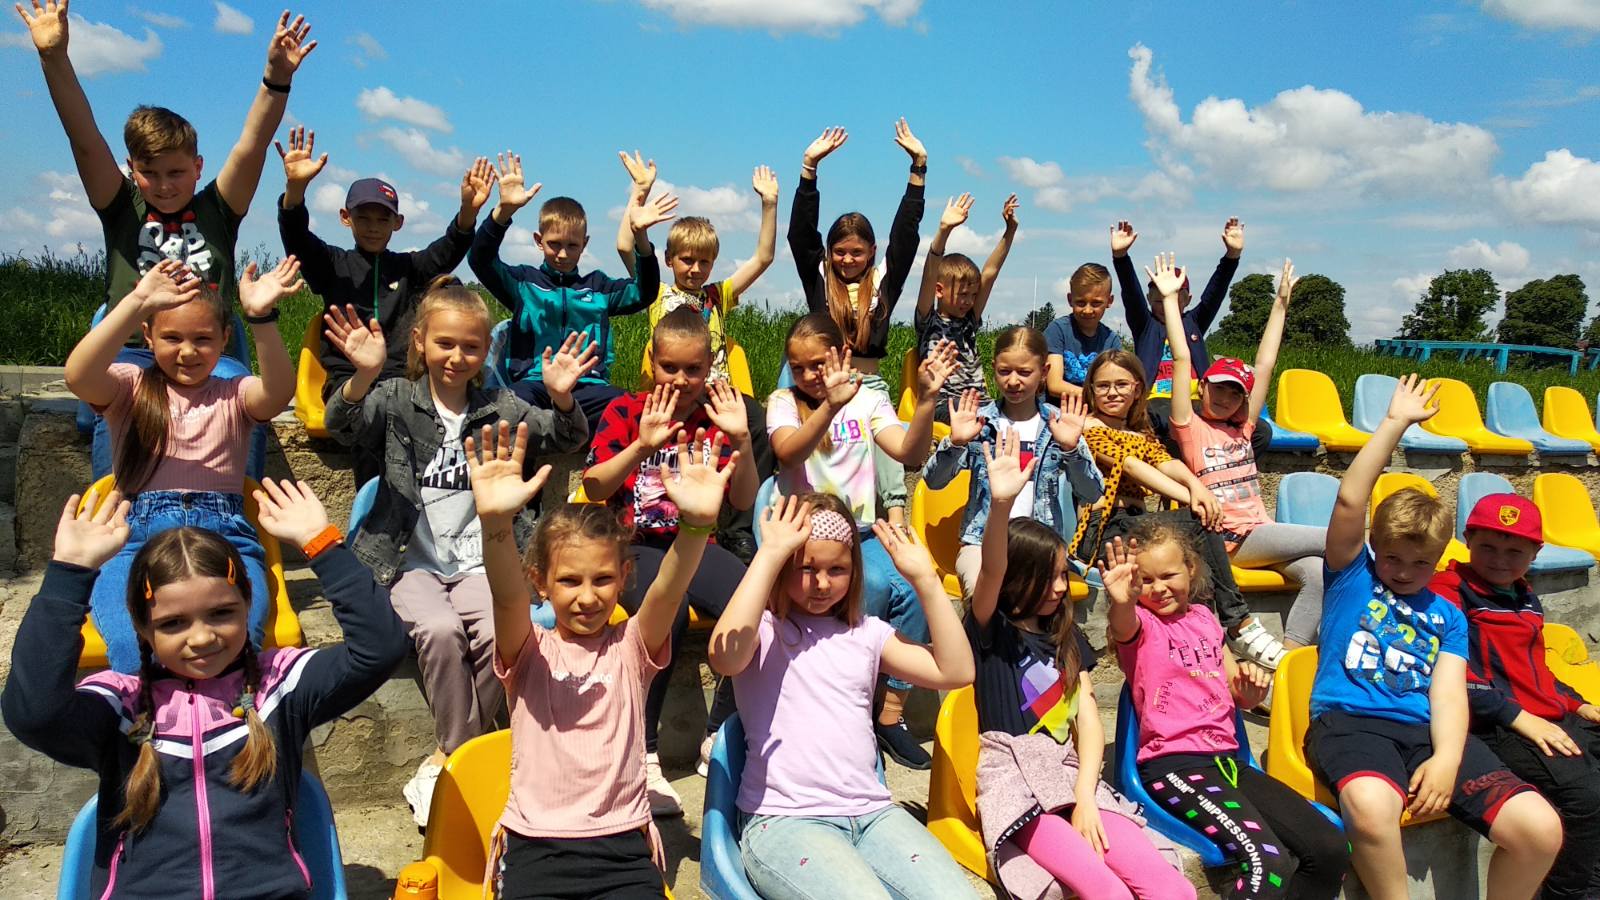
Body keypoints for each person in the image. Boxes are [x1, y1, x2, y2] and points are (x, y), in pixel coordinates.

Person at [1, 478, 407, 900]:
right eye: (173, 623)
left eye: (221, 613)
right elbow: (33, 711)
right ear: (142, 628)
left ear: (248, 605)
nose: (201, 637)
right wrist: (69, 575)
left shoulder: (279, 685)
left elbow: (380, 649)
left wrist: (322, 546)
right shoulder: (120, 705)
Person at [321, 277, 594, 825]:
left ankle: (446, 760)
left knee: (501, 634)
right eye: (444, 343)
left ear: (485, 350)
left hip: (479, 564)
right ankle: (466, 758)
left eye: (470, 346)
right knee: (442, 631)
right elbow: (342, 426)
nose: (456, 356)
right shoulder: (396, 400)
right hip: (408, 562)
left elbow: (566, 437)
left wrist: (563, 397)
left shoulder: (502, 405)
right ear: (420, 341)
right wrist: (364, 374)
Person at [15, 2, 316, 480]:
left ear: (197, 167)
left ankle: (237, 503)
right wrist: (54, 57)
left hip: (209, 353)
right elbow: (84, 138)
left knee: (241, 415)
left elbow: (252, 143)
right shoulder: (123, 207)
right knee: (120, 431)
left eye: (176, 172)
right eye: (149, 173)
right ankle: (118, 508)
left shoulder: (218, 210)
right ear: (132, 170)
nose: (164, 185)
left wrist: (276, 78)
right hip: (135, 348)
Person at [1307, 374, 1562, 900]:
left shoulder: (1448, 616)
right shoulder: (1353, 577)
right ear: (1375, 547)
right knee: (1371, 810)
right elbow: (1350, 501)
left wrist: (1446, 759)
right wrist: (1394, 423)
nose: (1403, 571)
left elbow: (1448, 695)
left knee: (1540, 829)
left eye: (1420, 563)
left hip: (1427, 732)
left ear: (1441, 557)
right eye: (1393, 558)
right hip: (1350, 725)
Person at [467, 420, 737, 899]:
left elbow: (669, 588)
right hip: (536, 849)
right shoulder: (528, 651)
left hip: (623, 849)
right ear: (540, 582)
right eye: (569, 581)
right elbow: (507, 597)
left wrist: (696, 525)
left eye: (603, 579)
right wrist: (495, 526)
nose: (588, 597)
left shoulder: (632, 647)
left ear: (625, 576)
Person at [708, 493, 978, 900]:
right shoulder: (765, 630)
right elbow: (725, 655)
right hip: (786, 820)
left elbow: (956, 672)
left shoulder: (868, 634)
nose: (821, 583)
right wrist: (769, 555)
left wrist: (926, 581)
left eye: (837, 569)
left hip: (873, 816)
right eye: (806, 568)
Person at [969, 432, 1195, 900]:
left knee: (1176, 891)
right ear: (1017, 578)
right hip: (1019, 786)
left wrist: (1087, 795)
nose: (1060, 587)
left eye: (1062, 575)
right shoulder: (991, 632)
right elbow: (989, 571)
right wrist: (1000, 505)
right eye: (1047, 577)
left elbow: (1088, 720)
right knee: (1108, 893)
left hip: (1072, 776)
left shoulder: (1066, 637)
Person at [64, 259, 302, 673]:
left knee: (237, 645)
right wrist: (136, 302)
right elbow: (79, 375)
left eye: (203, 339)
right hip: (133, 541)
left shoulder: (235, 393)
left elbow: (278, 393)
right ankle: (145, 711)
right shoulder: (129, 387)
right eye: (171, 338)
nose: (187, 351)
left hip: (225, 536)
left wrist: (261, 319)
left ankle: (229, 712)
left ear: (225, 338)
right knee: (131, 646)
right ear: (148, 337)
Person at [1105, 520, 1350, 899]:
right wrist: (1122, 602)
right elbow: (1124, 626)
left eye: (1168, 575)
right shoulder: (1143, 627)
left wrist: (1249, 692)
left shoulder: (1206, 619)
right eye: (1146, 580)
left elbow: (1236, 690)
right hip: (1175, 767)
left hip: (1230, 765)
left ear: (1191, 569)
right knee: (1268, 862)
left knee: (1330, 848)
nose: (1159, 588)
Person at [582, 308, 759, 814]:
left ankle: (719, 731)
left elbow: (743, 499)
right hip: (634, 545)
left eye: (693, 369)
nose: (681, 380)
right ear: (652, 363)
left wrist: (743, 439)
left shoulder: (715, 421)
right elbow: (594, 485)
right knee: (669, 613)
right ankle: (644, 751)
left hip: (696, 543)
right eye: (669, 367)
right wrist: (642, 445)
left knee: (755, 604)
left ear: (710, 367)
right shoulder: (626, 410)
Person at [769, 312, 955, 768]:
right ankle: (841, 705)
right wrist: (829, 406)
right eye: (798, 367)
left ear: (843, 355)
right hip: (806, 533)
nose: (808, 375)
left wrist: (927, 401)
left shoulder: (868, 399)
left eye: (818, 364)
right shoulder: (783, 402)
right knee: (867, 586)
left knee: (916, 584)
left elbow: (908, 452)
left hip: (862, 531)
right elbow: (788, 452)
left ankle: (888, 714)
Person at [276, 127, 497, 484]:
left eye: (383, 219)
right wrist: (295, 191)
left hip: (403, 379)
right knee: (376, 413)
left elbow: (447, 250)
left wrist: (467, 212)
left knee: (432, 411)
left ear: (398, 223)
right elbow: (298, 238)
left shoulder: (409, 268)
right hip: (351, 381)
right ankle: (375, 504)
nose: (373, 227)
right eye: (363, 217)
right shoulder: (332, 265)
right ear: (345, 217)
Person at [1429, 494, 1600, 900]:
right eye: (1488, 546)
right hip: (1495, 724)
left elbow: (1537, 671)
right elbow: (1453, 677)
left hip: (1542, 716)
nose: (1500, 560)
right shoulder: (1449, 592)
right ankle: (1569, 894)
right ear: (1467, 539)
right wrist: (1519, 717)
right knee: (1585, 795)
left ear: (1535, 553)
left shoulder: (1524, 596)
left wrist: (1577, 703)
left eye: (1514, 552)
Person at [614, 150, 780, 561]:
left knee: (757, 422)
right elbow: (625, 244)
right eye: (687, 260)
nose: (695, 269)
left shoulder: (717, 296)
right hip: (673, 390)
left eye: (704, 262)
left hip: (716, 391)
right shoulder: (655, 292)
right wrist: (638, 194)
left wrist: (769, 204)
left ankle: (737, 528)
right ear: (669, 260)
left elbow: (763, 258)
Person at [1067, 349, 1278, 669]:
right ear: (1091, 390)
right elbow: (1132, 466)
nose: (1112, 392)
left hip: (1137, 523)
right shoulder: (1085, 428)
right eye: (1103, 385)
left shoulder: (1139, 433)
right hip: (1106, 528)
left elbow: (1165, 462)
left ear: (1137, 389)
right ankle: (1237, 621)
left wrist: (1197, 487)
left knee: (1191, 557)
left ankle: (1207, 646)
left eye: (1121, 384)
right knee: (1197, 518)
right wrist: (1192, 497)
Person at [1159, 256, 1326, 656]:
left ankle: (1288, 663)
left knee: (1319, 573)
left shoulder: (1244, 429)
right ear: (1203, 387)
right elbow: (1182, 359)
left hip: (1261, 532)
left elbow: (1265, 364)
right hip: (1234, 537)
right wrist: (1169, 302)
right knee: (1336, 537)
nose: (1225, 396)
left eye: (1235, 392)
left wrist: (1280, 303)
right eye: (1218, 387)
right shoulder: (1191, 428)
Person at [467, 151, 672, 433]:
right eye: (554, 244)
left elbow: (644, 292)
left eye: (572, 245)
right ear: (539, 240)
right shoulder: (524, 284)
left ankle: (601, 462)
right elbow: (480, 260)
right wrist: (503, 212)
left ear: (584, 244)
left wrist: (641, 238)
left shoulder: (599, 288)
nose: (562, 254)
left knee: (630, 411)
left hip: (587, 386)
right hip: (535, 385)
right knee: (504, 410)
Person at [788, 121, 929, 520]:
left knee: (881, 435)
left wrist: (918, 168)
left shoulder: (883, 282)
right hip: (818, 385)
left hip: (867, 383)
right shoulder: (819, 279)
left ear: (871, 252)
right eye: (840, 252)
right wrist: (809, 168)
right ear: (829, 253)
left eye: (856, 252)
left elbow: (906, 237)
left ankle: (895, 518)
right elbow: (800, 235)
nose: (847, 260)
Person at [921, 326, 1102, 598]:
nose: (1013, 381)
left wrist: (1071, 448)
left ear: (1044, 371)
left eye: (1024, 372)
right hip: (981, 542)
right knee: (985, 592)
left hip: (1041, 544)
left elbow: (1092, 493)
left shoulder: (1059, 424)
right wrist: (956, 443)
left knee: (1040, 596)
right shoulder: (979, 423)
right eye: (1004, 371)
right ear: (993, 368)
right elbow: (934, 482)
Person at [1110, 218, 1270, 458]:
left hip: (1199, 402)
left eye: (1175, 298)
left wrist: (1232, 256)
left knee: (1262, 432)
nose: (1166, 304)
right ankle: (1186, 465)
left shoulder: (1193, 323)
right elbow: (1131, 294)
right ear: (1149, 299)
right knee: (1163, 416)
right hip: (1158, 401)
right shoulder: (1146, 326)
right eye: (1159, 300)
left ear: (1188, 299)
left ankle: (1226, 465)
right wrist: (1121, 258)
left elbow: (1214, 295)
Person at [913, 192, 1018, 422]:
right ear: (939, 290)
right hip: (943, 402)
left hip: (980, 402)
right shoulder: (928, 321)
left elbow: (990, 273)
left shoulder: (969, 321)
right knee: (980, 417)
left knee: (1021, 410)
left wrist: (1010, 231)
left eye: (973, 295)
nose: (969, 301)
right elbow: (929, 273)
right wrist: (944, 231)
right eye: (962, 295)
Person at [1044, 263, 1123, 401]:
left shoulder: (1111, 340)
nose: (1087, 310)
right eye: (1081, 303)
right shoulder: (1058, 330)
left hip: (1095, 408)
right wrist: (1097, 396)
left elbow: (1114, 383)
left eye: (1096, 303)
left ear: (1109, 301)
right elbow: (1054, 385)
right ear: (1070, 300)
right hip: (1056, 408)